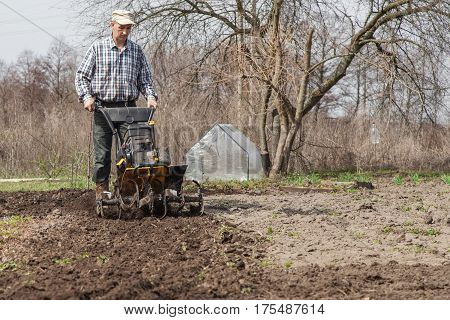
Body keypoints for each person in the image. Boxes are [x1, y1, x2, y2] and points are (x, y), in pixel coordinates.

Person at [75, 9, 158, 201]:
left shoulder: (136, 50)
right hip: (103, 108)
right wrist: (86, 97)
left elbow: (145, 79)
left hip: (129, 108)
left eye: (129, 28)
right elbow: (82, 75)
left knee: (135, 151)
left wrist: (150, 96)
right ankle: (102, 191)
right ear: (111, 25)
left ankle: (129, 188)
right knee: (102, 154)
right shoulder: (98, 48)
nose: (125, 32)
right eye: (122, 27)